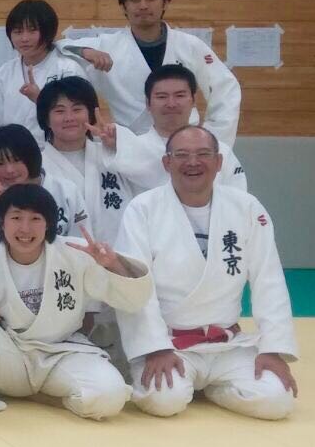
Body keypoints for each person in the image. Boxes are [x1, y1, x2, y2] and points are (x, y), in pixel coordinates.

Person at [0, 184, 153, 439]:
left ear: (49, 224)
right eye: (16, 218)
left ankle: (44, 396)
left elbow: (131, 299)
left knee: (109, 396)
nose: (25, 228)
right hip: (10, 355)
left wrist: (113, 264)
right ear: (1, 222)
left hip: (60, 353)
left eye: (35, 219)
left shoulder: (76, 253)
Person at [116, 126, 298, 420]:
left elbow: (269, 280)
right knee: (165, 401)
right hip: (170, 343)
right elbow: (134, 284)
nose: (193, 162)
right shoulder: (143, 209)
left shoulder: (247, 207)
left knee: (278, 400)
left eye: (203, 154)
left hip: (227, 345)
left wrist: (272, 349)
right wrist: (155, 348)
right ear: (166, 162)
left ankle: (213, 388)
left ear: (219, 162)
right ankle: (188, 383)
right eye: (182, 155)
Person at [65, 0, 242, 146]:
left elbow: (225, 89)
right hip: (130, 144)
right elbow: (59, 46)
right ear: (123, 7)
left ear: (165, 3)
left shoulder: (190, 45)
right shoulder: (105, 47)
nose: (143, 6)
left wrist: (214, 139)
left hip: (186, 142)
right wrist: (85, 52)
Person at [107, 64, 248, 198]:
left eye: (180, 95)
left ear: (193, 100)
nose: (171, 104)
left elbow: (238, 202)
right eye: (162, 97)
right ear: (148, 103)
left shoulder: (219, 151)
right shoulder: (126, 152)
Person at [0, 124, 87, 252]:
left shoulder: (66, 190)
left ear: (31, 156)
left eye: (16, 160)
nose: (9, 170)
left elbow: (82, 242)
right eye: (0, 163)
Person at [36, 76, 131, 245]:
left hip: (118, 253)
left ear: (91, 114)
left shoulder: (115, 155)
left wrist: (120, 146)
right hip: (63, 257)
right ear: (46, 119)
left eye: (77, 109)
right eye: (59, 111)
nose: (69, 118)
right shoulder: (36, 167)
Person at [0, 0, 89, 143]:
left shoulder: (68, 69)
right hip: (13, 153)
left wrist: (40, 99)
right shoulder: (4, 73)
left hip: (57, 150)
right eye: (18, 31)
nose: (24, 38)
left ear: (48, 32)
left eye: (32, 30)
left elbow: (78, 119)